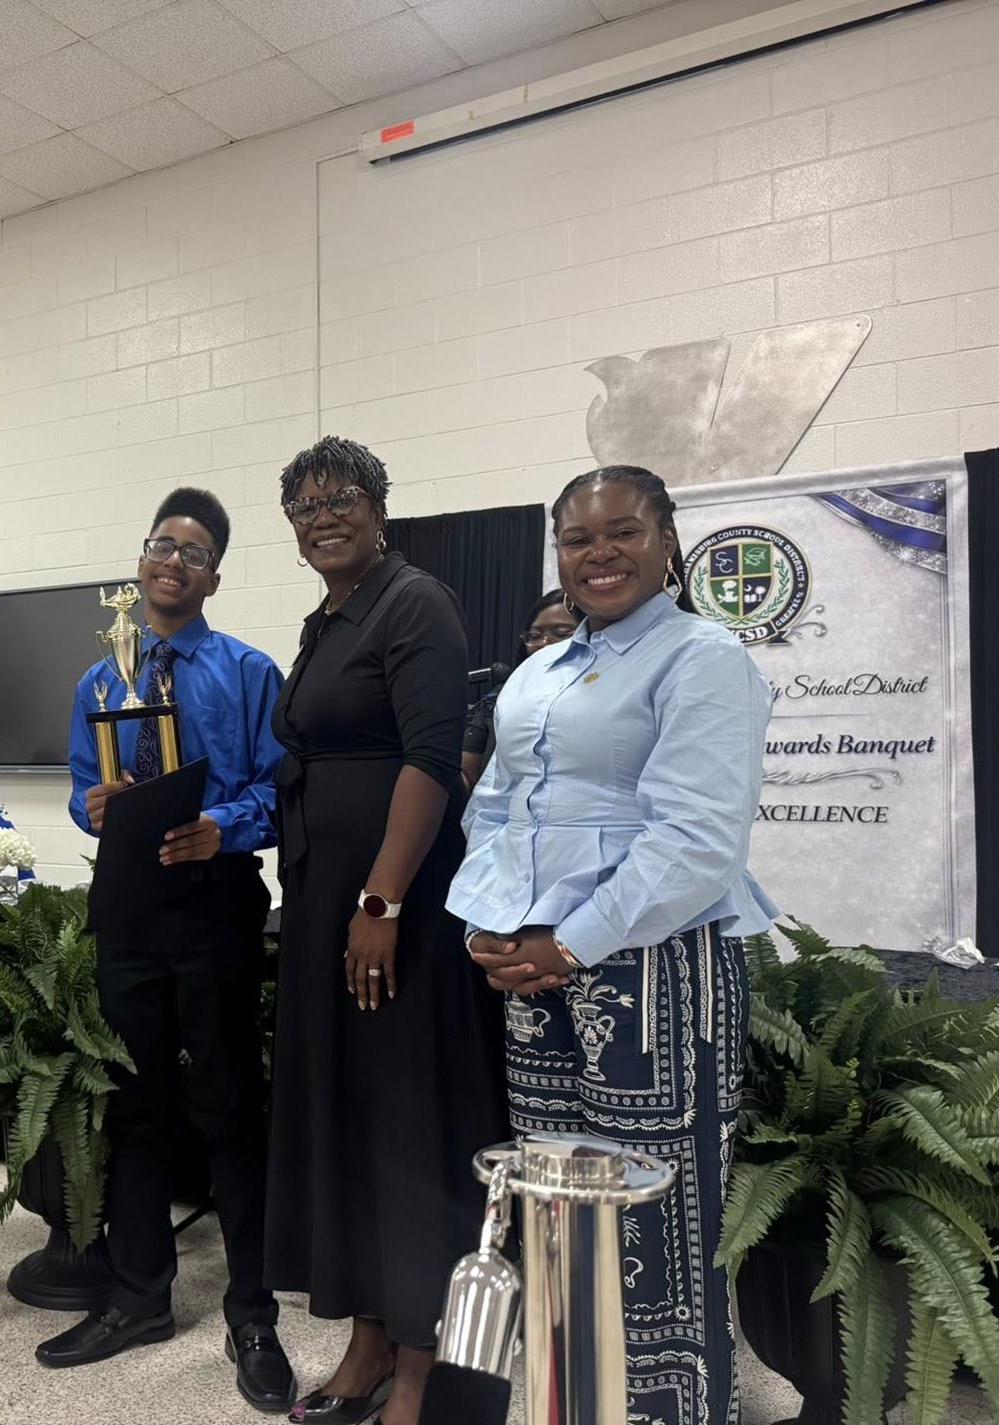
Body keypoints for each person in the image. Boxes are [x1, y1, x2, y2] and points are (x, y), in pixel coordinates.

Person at [449, 464, 777, 1425]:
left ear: (668, 539)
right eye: (578, 538)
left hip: (655, 967)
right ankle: (570, 1398)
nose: (599, 553)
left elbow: (698, 841)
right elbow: (497, 807)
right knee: (556, 1198)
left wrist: (571, 942)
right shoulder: (541, 669)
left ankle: (668, 1408)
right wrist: (489, 920)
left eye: (622, 531)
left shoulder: (701, 657)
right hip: (535, 967)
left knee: (655, 1213)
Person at [263, 437, 507, 1425]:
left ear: (378, 507)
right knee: (351, 1124)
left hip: (390, 908)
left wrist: (380, 903)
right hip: (330, 905)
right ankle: (366, 1339)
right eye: (304, 507)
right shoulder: (329, 618)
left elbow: (429, 757)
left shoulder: (415, 602)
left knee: (406, 1131)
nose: (323, 516)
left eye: (340, 498)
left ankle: (419, 1371)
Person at [40, 488, 294, 1413]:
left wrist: (221, 828)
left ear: (213, 575)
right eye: (161, 545)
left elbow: (278, 791)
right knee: (134, 1103)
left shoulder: (248, 671)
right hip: (129, 904)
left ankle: (252, 1312)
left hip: (216, 900)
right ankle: (141, 1296)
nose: (172, 561)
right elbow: (80, 786)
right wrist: (93, 808)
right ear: (140, 561)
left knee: (230, 1104)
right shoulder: (98, 681)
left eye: (192, 552)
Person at [461, 590, 581, 790]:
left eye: (561, 634)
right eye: (534, 636)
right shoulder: (501, 698)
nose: (544, 643)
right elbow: (467, 778)